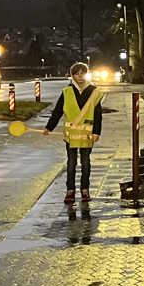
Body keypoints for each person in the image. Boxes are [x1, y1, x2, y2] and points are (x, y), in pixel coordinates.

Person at [43, 62, 102, 204]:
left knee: (86, 163)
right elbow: (57, 112)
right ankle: (70, 191)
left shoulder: (94, 92)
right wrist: (49, 127)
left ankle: (85, 190)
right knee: (71, 163)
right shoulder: (67, 92)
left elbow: (98, 114)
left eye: (82, 73)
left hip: (88, 136)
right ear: (72, 75)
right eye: (76, 74)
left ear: (86, 74)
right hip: (71, 136)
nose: (79, 77)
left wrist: (96, 132)